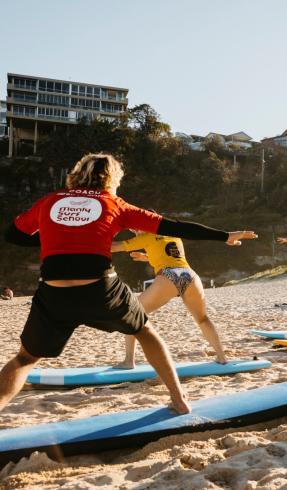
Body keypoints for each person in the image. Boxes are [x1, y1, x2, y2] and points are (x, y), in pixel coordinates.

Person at [1, 153, 257, 414]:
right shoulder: (114, 203)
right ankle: (179, 399)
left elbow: (13, 235)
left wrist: (54, 240)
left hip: (54, 292)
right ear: (112, 178)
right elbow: (175, 227)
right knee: (145, 331)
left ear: (76, 174)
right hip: (100, 289)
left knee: (24, 358)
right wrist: (224, 236)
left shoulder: (49, 201)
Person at [110, 229, 228, 368]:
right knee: (202, 319)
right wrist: (147, 256)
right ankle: (222, 357)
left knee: (131, 314)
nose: (135, 232)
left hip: (168, 276)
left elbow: (113, 246)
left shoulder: (146, 237)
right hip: (189, 275)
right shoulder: (173, 234)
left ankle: (129, 361)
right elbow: (168, 254)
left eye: (136, 229)